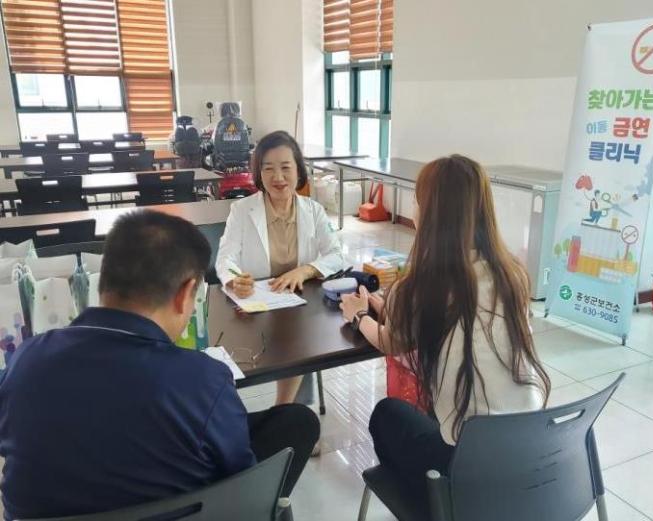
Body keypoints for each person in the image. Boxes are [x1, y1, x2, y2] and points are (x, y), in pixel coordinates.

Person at [0, 210, 319, 520]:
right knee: (293, 423)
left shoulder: (25, 361)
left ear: (103, 282)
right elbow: (241, 474)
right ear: (185, 294)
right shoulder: (203, 380)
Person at [340, 154, 551, 508]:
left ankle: (436, 505)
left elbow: (391, 342)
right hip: (531, 453)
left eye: (417, 201)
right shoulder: (512, 274)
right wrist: (389, 307)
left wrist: (359, 314)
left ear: (430, 214)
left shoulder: (423, 285)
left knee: (387, 414)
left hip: (470, 471)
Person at [216, 130, 344, 404]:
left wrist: (305, 270)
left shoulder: (313, 210)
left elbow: (335, 255)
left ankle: (286, 410)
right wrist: (234, 280)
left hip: (298, 305)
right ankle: (279, 412)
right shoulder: (242, 210)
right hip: (255, 307)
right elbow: (225, 259)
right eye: (268, 168)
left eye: (286, 167)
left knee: (300, 341)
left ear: (298, 171)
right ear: (258, 173)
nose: (278, 177)